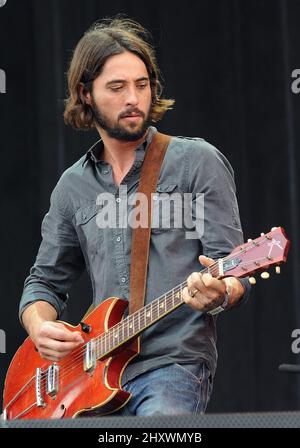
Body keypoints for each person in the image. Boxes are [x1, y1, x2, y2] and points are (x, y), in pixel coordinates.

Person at [19, 17, 250, 416]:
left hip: (171, 364)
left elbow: (234, 269)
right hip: (88, 375)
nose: (133, 98)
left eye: (142, 85)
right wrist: (39, 326)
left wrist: (222, 292)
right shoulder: (72, 186)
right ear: (85, 94)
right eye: (117, 87)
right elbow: (43, 282)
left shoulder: (197, 162)